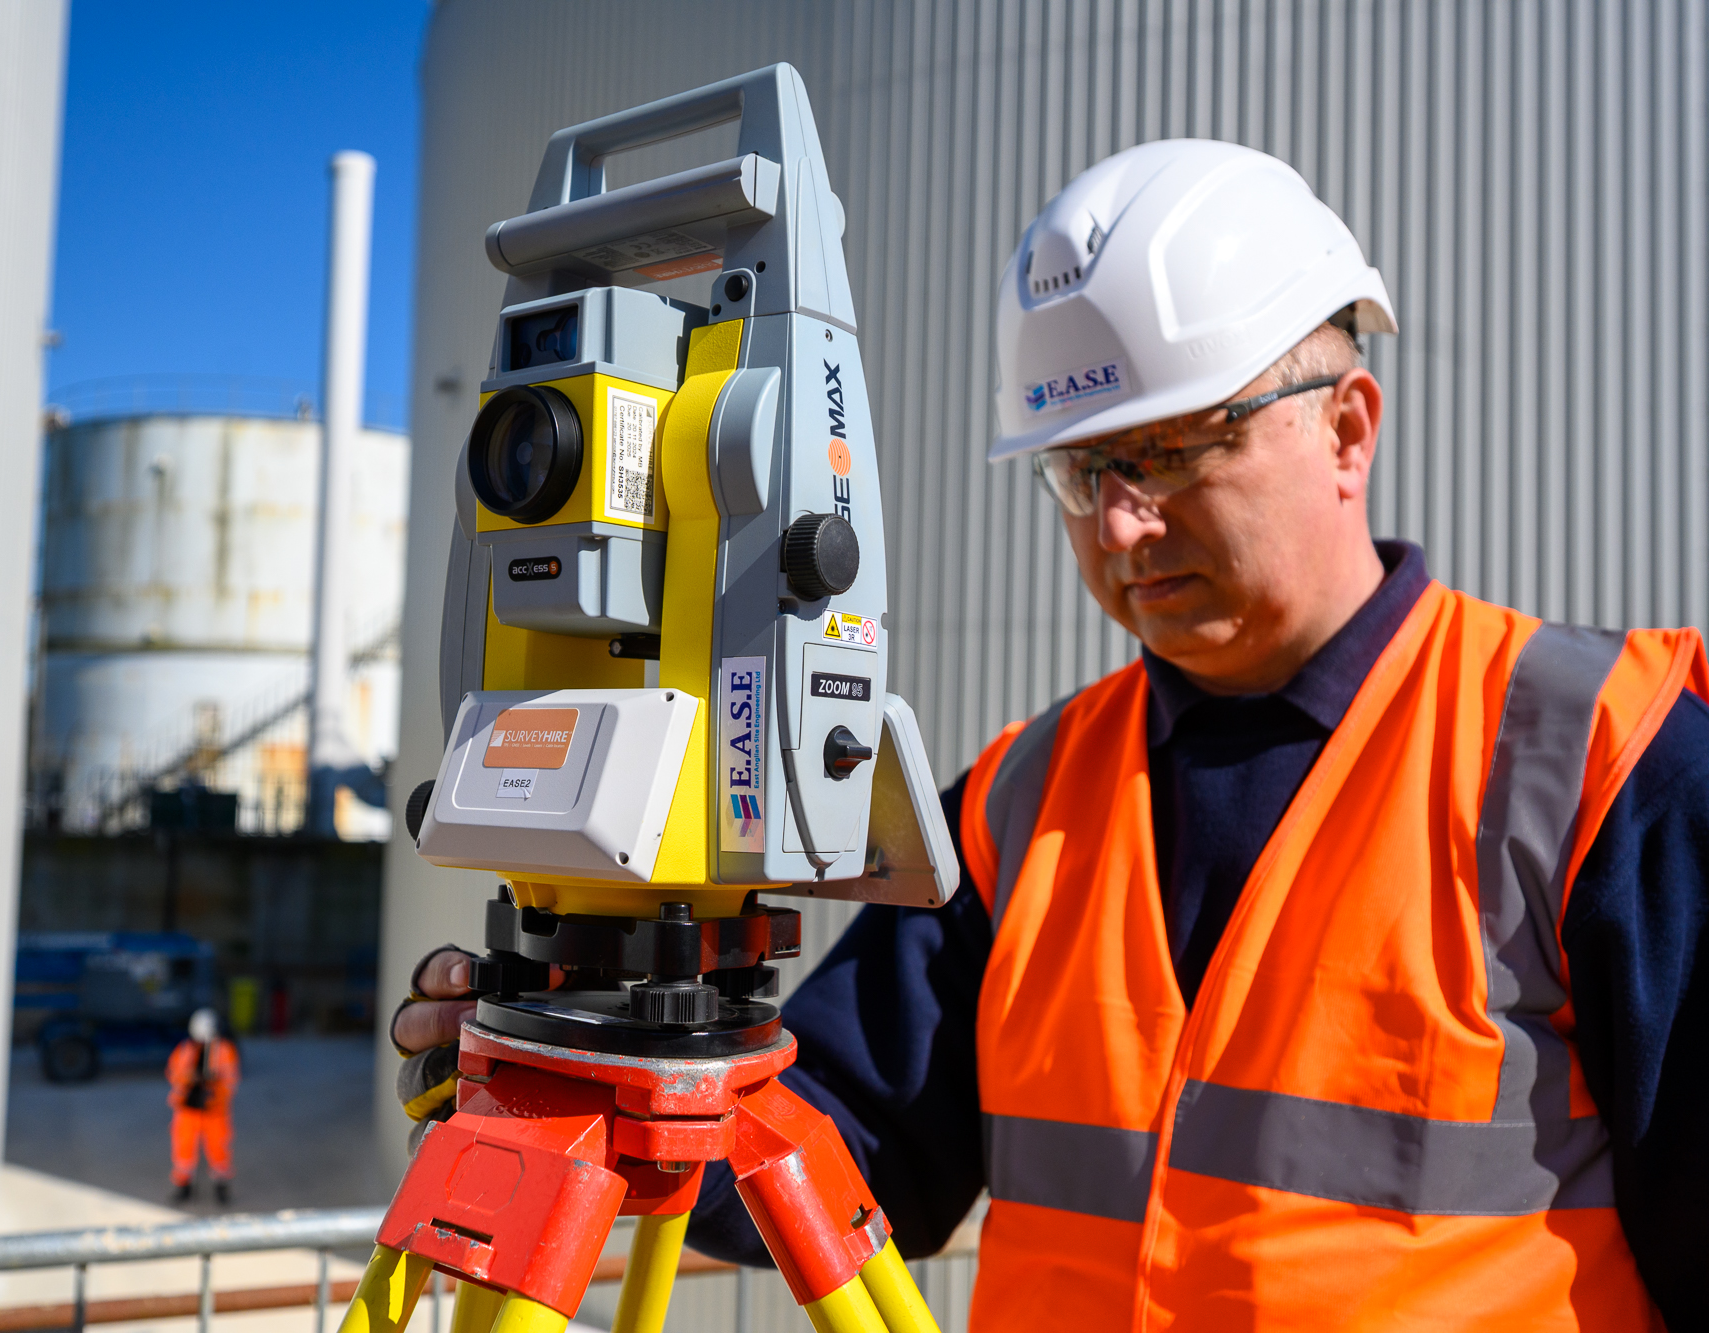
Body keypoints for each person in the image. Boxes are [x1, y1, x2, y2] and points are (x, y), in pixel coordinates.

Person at [392, 140, 1708, 1329]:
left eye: (1182, 450)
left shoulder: (1601, 758)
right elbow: (838, 1162)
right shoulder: (1020, 802)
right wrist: (575, 1055)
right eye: (1083, 472)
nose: (1122, 524)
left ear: (1348, 426)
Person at [168, 1007, 240, 1204]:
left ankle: (221, 1188)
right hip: (187, 1111)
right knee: (183, 1151)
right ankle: (184, 1186)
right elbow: (173, 1073)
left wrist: (215, 1087)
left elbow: (231, 1081)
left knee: (218, 1151)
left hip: (214, 1112)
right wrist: (189, 1077)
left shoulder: (225, 1051)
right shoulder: (184, 1050)